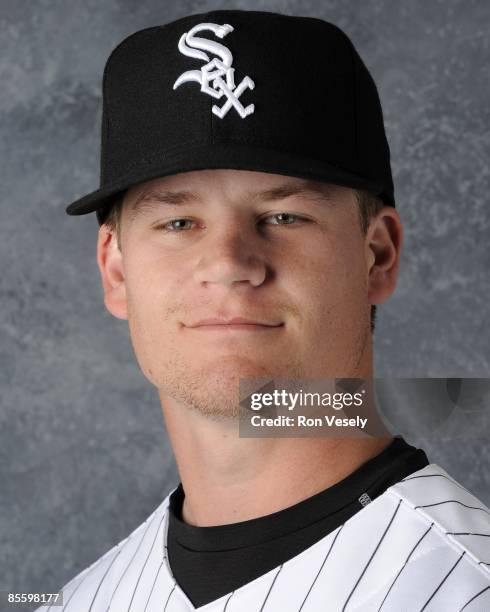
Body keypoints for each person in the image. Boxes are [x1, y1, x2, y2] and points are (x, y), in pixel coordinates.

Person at [36, 9, 489, 612]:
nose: (228, 262)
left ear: (377, 255)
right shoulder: (77, 602)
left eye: (283, 216)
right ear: (115, 270)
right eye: (178, 221)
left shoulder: (468, 587)